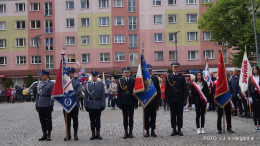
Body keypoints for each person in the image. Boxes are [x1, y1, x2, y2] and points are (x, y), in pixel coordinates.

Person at [165, 62, 186, 136]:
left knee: (180, 114)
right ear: (172, 68)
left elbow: (184, 88)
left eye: (177, 67)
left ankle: (179, 129)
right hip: (172, 97)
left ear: (178, 68)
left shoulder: (182, 77)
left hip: (180, 97)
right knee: (173, 114)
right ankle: (174, 129)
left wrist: (185, 99)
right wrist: (166, 98)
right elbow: (166, 88)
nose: (176, 68)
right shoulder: (168, 76)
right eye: (174, 67)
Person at [117, 67, 138, 139]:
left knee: (131, 117)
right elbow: (119, 92)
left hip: (131, 101)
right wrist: (119, 102)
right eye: (125, 72)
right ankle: (126, 132)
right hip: (123, 102)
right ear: (123, 73)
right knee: (125, 117)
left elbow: (135, 91)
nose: (127, 73)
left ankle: (130, 132)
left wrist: (136, 102)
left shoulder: (133, 80)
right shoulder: (120, 80)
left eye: (128, 72)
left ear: (130, 72)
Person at [84, 71, 106, 140]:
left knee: (98, 120)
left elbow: (103, 95)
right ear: (91, 77)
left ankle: (98, 134)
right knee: (92, 120)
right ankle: (93, 134)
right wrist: (85, 105)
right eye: (93, 76)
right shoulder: (88, 85)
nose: (94, 77)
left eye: (95, 76)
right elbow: (86, 96)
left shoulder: (101, 84)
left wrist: (103, 105)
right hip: (90, 104)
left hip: (98, 104)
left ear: (97, 77)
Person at [63, 67, 81, 141]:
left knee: (75, 120)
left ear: (74, 74)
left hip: (74, 104)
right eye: (68, 73)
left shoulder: (77, 82)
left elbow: (78, 92)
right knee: (67, 120)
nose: (70, 74)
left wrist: (72, 93)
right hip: (66, 105)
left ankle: (75, 134)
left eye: (71, 73)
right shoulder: (64, 82)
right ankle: (68, 135)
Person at [35, 70, 54, 141]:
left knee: (48, 120)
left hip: (47, 104)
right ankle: (44, 134)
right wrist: (36, 104)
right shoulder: (40, 84)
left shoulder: (51, 84)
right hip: (40, 104)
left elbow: (52, 95)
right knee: (42, 120)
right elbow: (37, 95)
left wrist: (50, 104)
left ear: (46, 76)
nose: (41, 76)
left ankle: (49, 134)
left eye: (42, 75)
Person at [143, 64, 161, 137]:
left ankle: (153, 130)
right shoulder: (143, 79)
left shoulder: (155, 78)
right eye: (148, 70)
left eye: (150, 70)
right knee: (146, 116)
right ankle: (147, 130)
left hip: (153, 100)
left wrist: (159, 99)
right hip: (146, 100)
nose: (150, 71)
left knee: (153, 116)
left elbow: (158, 90)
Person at [248, 66, 260, 131]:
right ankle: (255, 125)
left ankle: (259, 125)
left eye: (255, 69)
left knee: (259, 110)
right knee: (255, 110)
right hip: (253, 94)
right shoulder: (250, 78)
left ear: (258, 70)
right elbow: (249, 88)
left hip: (259, 94)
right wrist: (249, 97)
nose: (254, 70)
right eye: (253, 69)